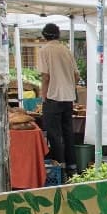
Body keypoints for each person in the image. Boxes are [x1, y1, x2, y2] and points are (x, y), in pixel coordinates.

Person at [38, 22, 80, 177]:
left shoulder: (45, 51)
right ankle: (72, 166)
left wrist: (44, 96)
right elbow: (77, 75)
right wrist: (68, 86)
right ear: (58, 34)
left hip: (53, 97)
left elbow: (45, 76)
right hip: (68, 98)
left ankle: (60, 167)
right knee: (68, 132)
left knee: (54, 134)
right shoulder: (66, 50)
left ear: (44, 35)